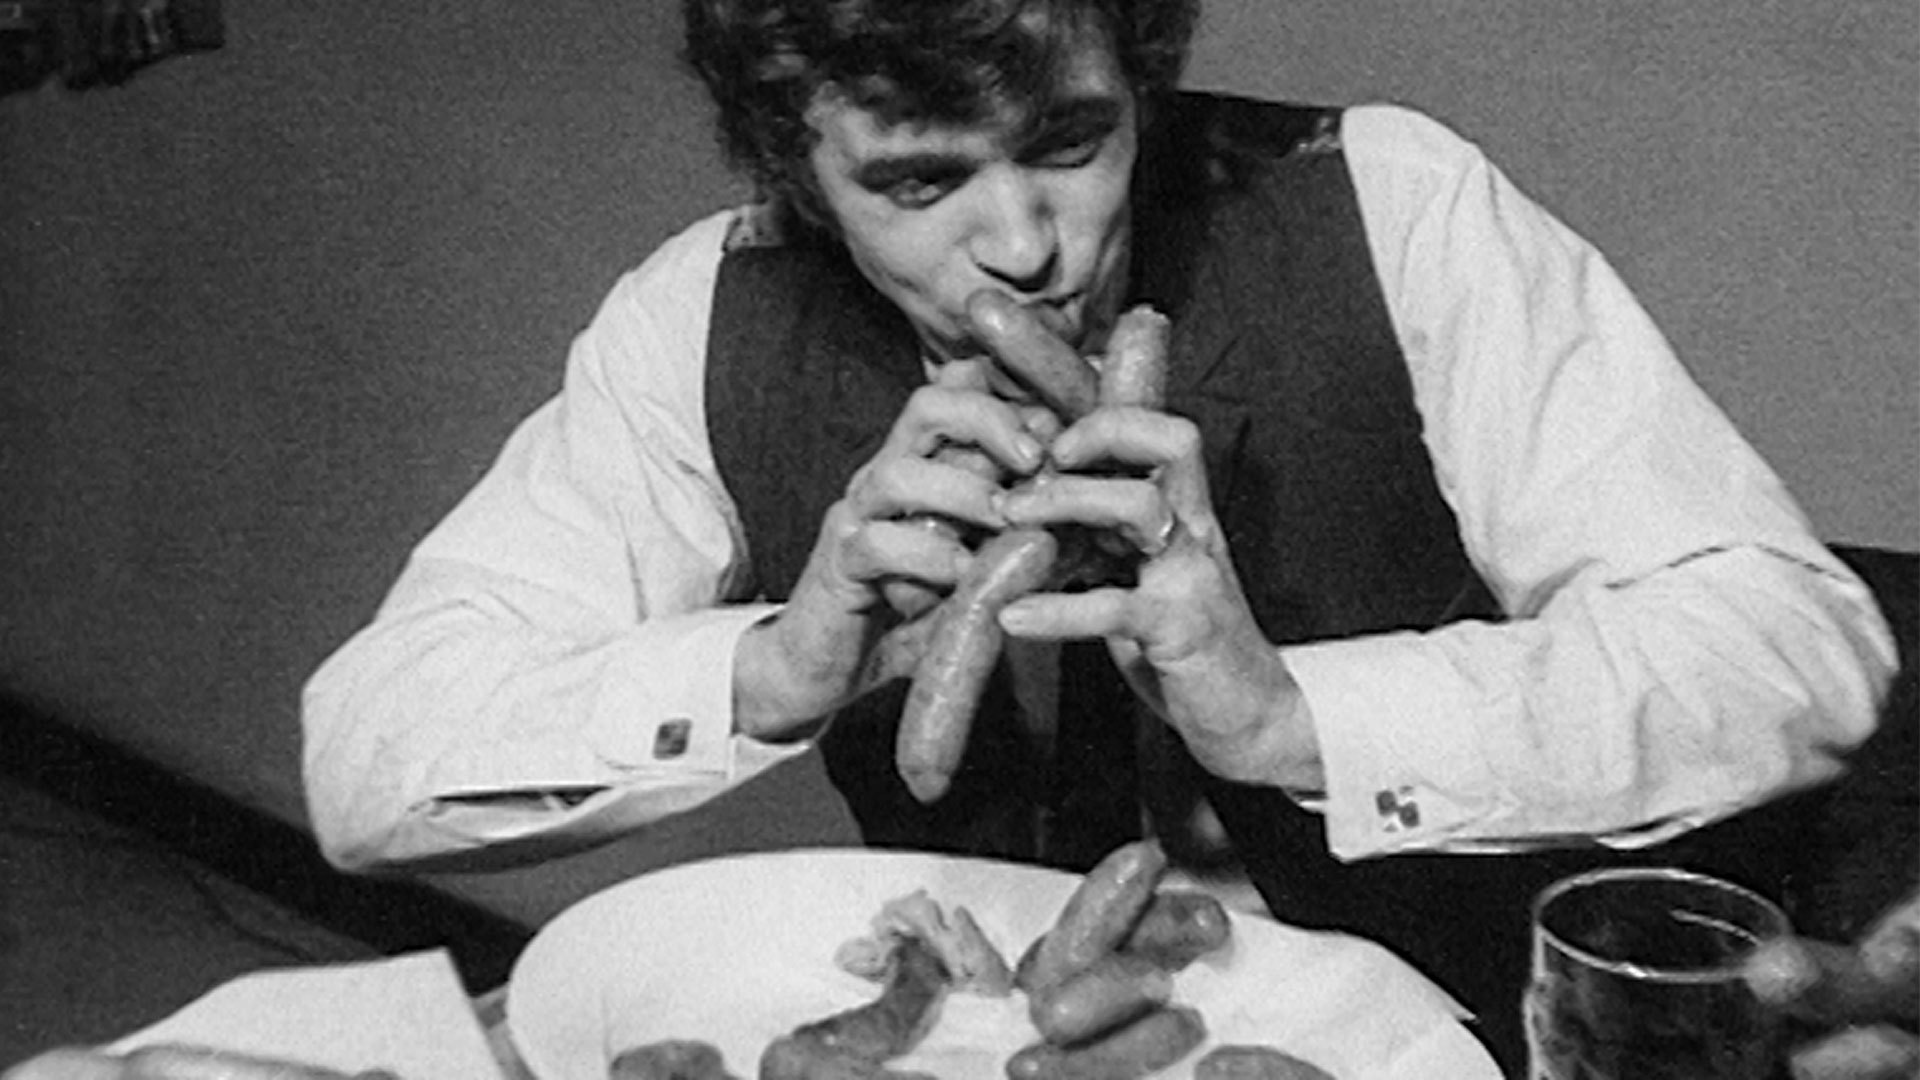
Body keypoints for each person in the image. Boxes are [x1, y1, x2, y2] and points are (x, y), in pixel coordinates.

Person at [294, 0, 1897, 1069]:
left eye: (1071, 142)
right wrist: (771, 671)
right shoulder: (696, 318)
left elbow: (1794, 647)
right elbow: (368, 761)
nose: (1024, 246)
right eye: (919, 182)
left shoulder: (1395, 203)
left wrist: (1301, 717)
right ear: (800, 170)